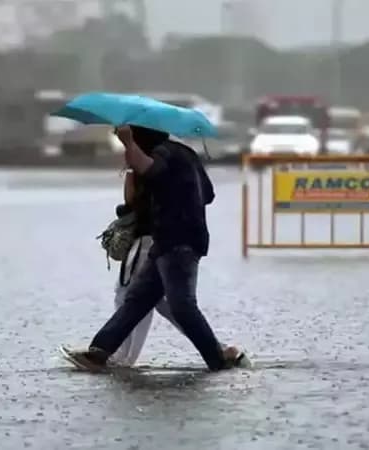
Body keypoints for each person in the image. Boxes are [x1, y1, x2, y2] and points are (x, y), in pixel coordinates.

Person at [64, 125, 247, 372]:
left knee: (181, 305)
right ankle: (99, 352)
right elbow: (209, 194)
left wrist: (128, 143)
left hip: (178, 242)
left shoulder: (164, 154)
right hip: (169, 241)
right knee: (137, 300)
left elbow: (150, 170)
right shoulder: (185, 153)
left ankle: (218, 358)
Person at [110, 170, 235, 367]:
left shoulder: (149, 166)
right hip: (170, 238)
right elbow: (207, 195)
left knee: (132, 296)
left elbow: (133, 203)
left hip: (150, 239)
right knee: (162, 302)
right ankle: (217, 348)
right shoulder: (180, 167)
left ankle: (122, 356)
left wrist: (130, 176)